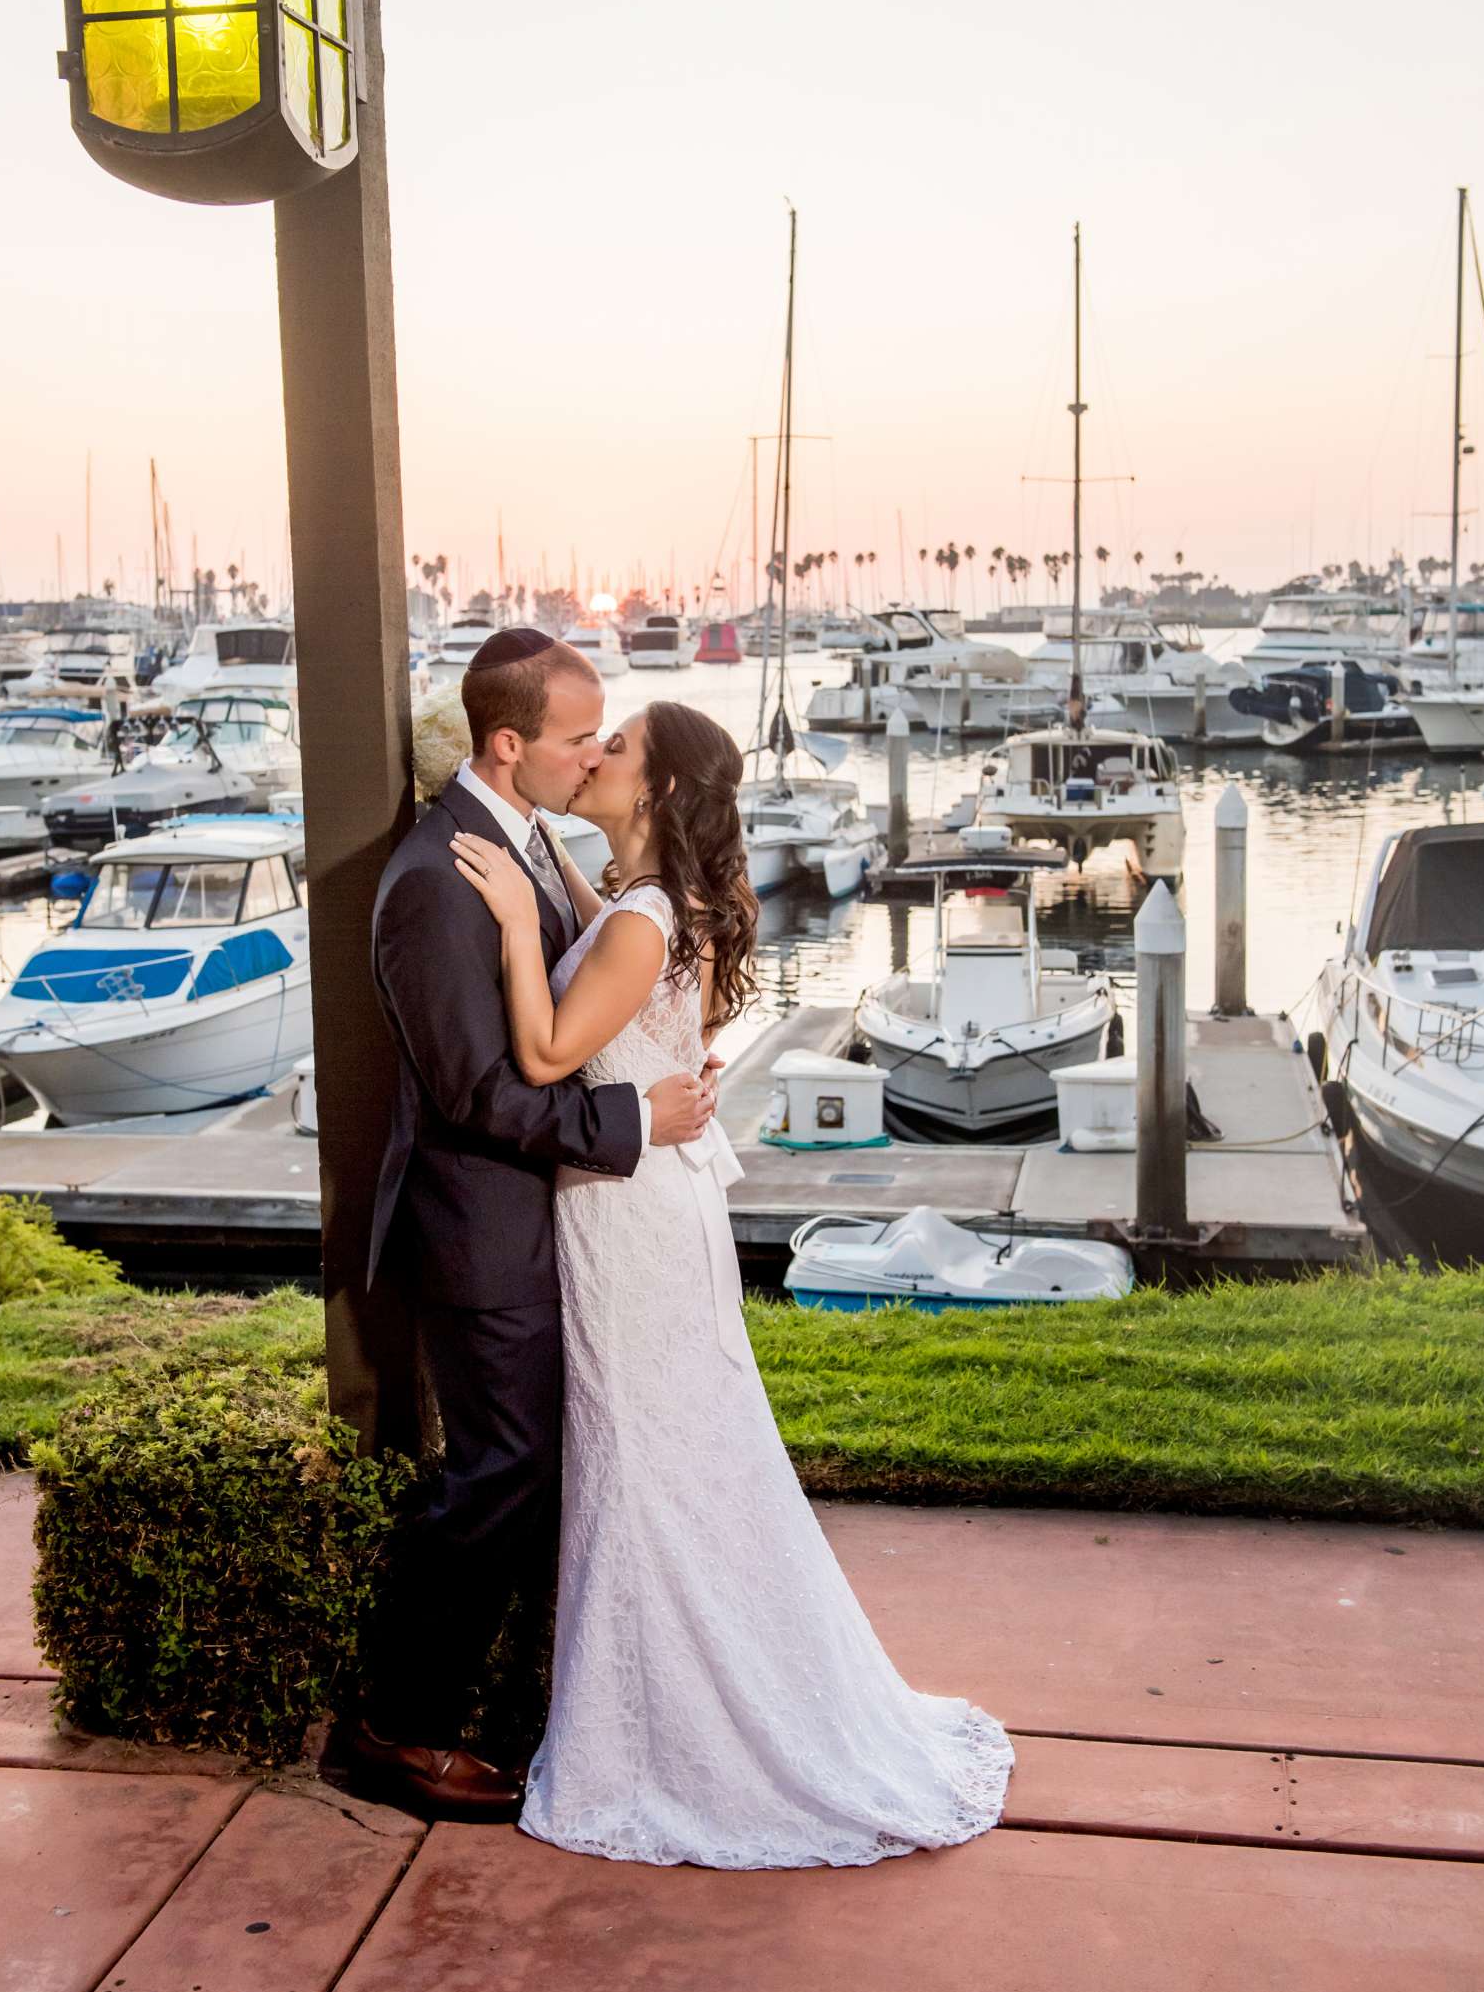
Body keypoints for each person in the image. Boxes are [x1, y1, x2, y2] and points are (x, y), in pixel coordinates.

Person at [451, 698, 1013, 1868]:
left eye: (619, 749)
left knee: (646, 1457)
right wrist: (539, 854)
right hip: (657, 1202)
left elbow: (552, 1054)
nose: (597, 755)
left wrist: (513, 921)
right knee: (680, 1448)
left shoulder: (642, 923)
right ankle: (673, 1717)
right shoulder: (664, 907)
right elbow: (658, 1021)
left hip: (627, 1216)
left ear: (655, 792)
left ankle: (670, 1747)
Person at [342, 630, 715, 1824]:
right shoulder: (434, 884)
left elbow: (583, 1002)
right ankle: (393, 1731)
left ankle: (532, 1700)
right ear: (509, 745)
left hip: (549, 1223)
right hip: (479, 1233)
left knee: (537, 1468)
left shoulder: (537, 843)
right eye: (577, 737)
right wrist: (633, 1121)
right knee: (500, 1471)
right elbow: (477, 1094)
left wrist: (653, 1060)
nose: (596, 750)